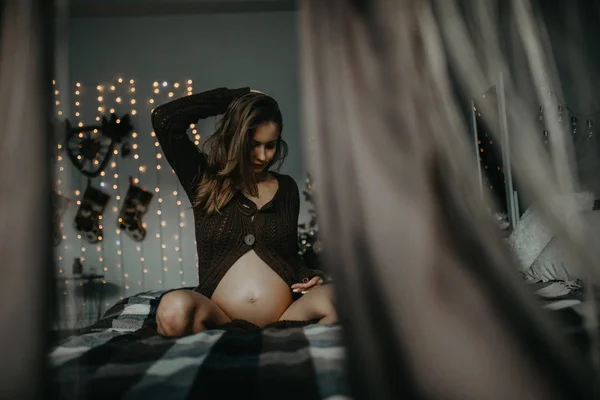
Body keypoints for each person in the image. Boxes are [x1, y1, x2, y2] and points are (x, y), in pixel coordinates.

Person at [151, 87, 337, 336]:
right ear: (235, 138)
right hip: (219, 318)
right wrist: (236, 98)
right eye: (253, 145)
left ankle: (294, 346)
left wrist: (310, 278)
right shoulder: (204, 180)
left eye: (270, 146)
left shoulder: (287, 188)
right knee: (172, 309)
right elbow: (165, 119)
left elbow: (288, 255)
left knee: (340, 299)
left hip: (284, 318)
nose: (262, 156)